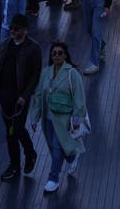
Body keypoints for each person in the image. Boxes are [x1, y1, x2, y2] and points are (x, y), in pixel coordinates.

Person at [27, 40, 89, 193]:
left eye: (60, 53)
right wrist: (34, 117)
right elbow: (39, 95)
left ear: (65, 55)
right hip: (48, 119)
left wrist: (76, 118)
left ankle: (53, 178)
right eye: (53, 53)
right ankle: (72, 157)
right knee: (55, 146)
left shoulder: (72, 73)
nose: (56, 56)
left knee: (56, 147)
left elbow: (79, 96)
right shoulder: (46, 72)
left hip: (64, 120)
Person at [0, 14, 43, 180]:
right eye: (11, 28)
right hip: (4, 94)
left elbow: (35, 76)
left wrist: (25, 96)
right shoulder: (5, 45)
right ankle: (19, 161)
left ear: (25, 30)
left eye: (16, 28)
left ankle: (24, 157)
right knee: (10, 130)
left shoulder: (33, 48)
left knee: (15, 129)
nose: (12, 31)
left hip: (20, 96)